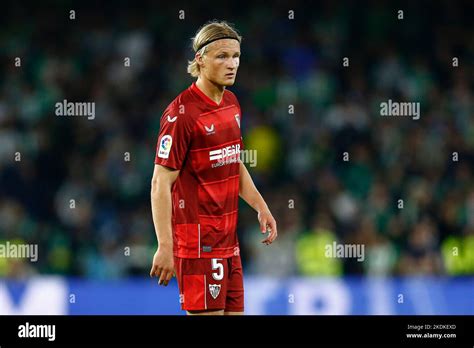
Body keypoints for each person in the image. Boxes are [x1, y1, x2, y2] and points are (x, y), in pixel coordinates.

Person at [149, 20, 277, 315]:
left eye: (236, 56)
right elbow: (160, 183)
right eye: (221, 56)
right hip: (198, 246)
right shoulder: (181, 114)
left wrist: (260, 206)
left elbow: (234, 161)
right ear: (200, 59)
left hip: (228, 243)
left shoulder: (231, 103)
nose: (231, 64)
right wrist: (165, 245)